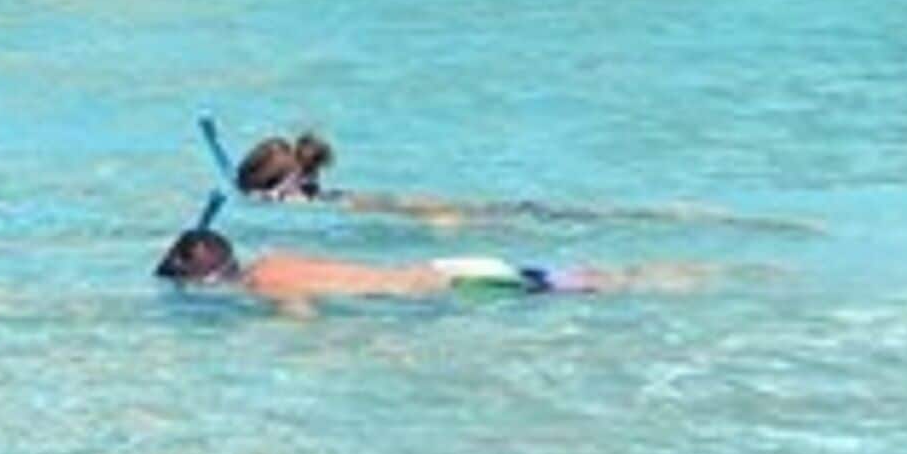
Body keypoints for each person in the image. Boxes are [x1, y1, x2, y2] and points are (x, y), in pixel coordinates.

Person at [227, 127, 818, 234]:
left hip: (493, 216)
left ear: (289, 190)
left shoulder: (338, 211)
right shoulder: (333, 201)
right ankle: (697, 214)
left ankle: (708, 217)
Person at [153, 226, 697, 312]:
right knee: (607, 281)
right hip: (449, 268)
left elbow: (305, 327)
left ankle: (694, 280)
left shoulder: (265, 284)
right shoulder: (275, 258)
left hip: (459, 287)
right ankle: (684, 274)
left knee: (607, 290)